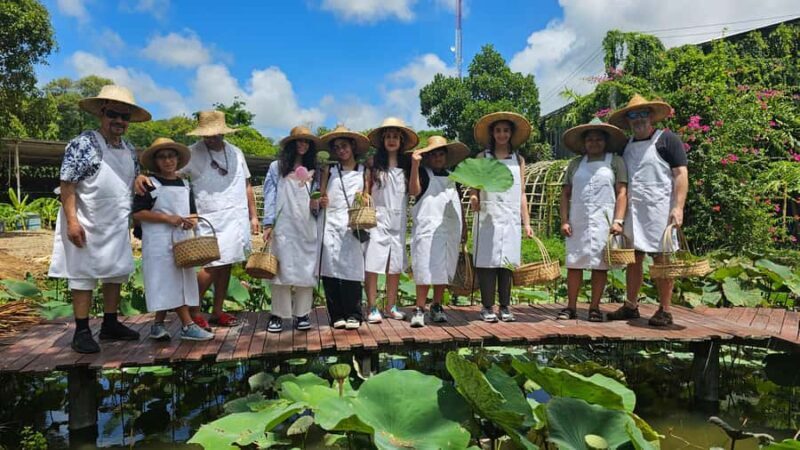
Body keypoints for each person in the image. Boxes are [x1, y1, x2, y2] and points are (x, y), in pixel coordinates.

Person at [49, 85, 151, 354]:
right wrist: (72, 221)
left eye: (124, 117)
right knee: (83, 274)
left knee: (115, 272)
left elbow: (132, 178)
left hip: (115, 220)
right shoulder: (83, 143)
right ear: (102, 113)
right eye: (113, 114)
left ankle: (110, 323)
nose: (119, 121)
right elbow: (67, 184)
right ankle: (82, 330)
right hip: (87, 218)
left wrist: (139, 178)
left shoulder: (129, 148)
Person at [137, 110, 260, 329]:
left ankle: (217, 311)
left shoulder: (236, 152)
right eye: (207, 134)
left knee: (227, 263)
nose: (211, 138)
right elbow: (168, 173)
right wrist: (141, 176)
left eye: (215, 134)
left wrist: (253, 215)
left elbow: (247, 184)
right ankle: (193, 311)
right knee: (211, 265)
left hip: (236, 216)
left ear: (223, 132)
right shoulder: (192, 153)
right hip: (209, 216)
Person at [607, 94, 689, 326]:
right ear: (628, 120)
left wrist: (678, 207)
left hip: (660, 210)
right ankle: (631, 305)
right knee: (633, 258)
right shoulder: (626, 146)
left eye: (643, 114)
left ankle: (665, 309)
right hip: (634, 210)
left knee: (662, 259)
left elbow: (681, 174)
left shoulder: (667, 140)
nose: (638, 119)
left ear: (651, 116)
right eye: (633, 115)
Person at [132, 138, 215, 341]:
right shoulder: (150, 184)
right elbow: (138, 213)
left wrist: (191, 221)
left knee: (179, 281)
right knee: (167, 281)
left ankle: (158, 324)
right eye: (162, 157)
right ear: (156, 161)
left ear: (177, 159)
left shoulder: (185, 184)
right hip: (158, 241)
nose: (168, 161)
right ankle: (188, 325)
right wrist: (167, 218)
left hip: (182, 241)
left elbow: (193, 212)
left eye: (171, 156)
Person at [558, 118, 628, 322]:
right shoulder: (575, 164)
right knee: (574, 263)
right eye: (590, 139)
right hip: (577, 220)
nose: (594, 143)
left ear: (605, 141)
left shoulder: (615, 161)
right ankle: (571, 307)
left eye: (598, 139)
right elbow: (565, 193)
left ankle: (594, 308)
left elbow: (622, 192)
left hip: (604, 221)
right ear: (584, 142)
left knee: (600, 264)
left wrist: (618, 220)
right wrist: (564, 220)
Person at [470, 112, 534, 323]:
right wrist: (474, 197)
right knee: (486, 263)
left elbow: (522, 193)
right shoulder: (482, 157)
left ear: (511, 134)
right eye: (498, 130)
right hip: (487, 217)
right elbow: (474, 186)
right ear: (492, 133)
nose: (502, 134)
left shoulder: (519, 160)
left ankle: (505, 306)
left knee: (507, 263)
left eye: (506, 130)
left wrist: (527, 223)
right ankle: (487, 306)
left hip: (510, 217)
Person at [262, 126, 321, 333]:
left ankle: (302, 314)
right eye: (299, 141)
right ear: (291, 144)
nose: (303, 145)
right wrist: (268, 223)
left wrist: (317, 204)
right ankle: (278, 314)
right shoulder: (277, 167)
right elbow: (269, 195)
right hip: (284, 224)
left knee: (306, 268)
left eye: (306, 142)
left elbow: (317, 198)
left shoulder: (315, 169)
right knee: (281, 268)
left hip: (306, 223)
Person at [408, 136, 469, 328]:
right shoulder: (423, 174)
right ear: (428, 157)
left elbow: (459, 203)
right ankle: (419, 308)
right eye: (433, 154)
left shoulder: (454, 177)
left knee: (443, 269)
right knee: (424, 268)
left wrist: (464, 226)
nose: (437, 158)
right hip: (427, 229)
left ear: (446, 157)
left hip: (449, 229)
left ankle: (437, 305)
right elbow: (413, 191)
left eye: (441, 154)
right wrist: (415, 166)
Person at [363, 117, 418, 323]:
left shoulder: (407, 164)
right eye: (388, 137)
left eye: (396, 136)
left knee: (394, 266)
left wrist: (415, 166)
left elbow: (413, 191)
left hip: (398, 220)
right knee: (373, 264)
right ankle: (372, 307)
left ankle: (391, 306)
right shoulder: (373, 163)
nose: (392, 140)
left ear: (401, 140)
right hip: (377, 219)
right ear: (383, 140)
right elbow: (366, 191)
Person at [318, 125, 370, 330]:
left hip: (352, 224)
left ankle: (354, 314)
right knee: (329, 268)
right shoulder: (328, 170)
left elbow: (367, 195)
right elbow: (322, 195)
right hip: (331, 222)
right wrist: (321, 200)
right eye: (337, 147)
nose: (341, 150)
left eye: (344, 146)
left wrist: (363, 200)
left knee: (353, 268)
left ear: (353, 147)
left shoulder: (364, 171)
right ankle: (336, 314)